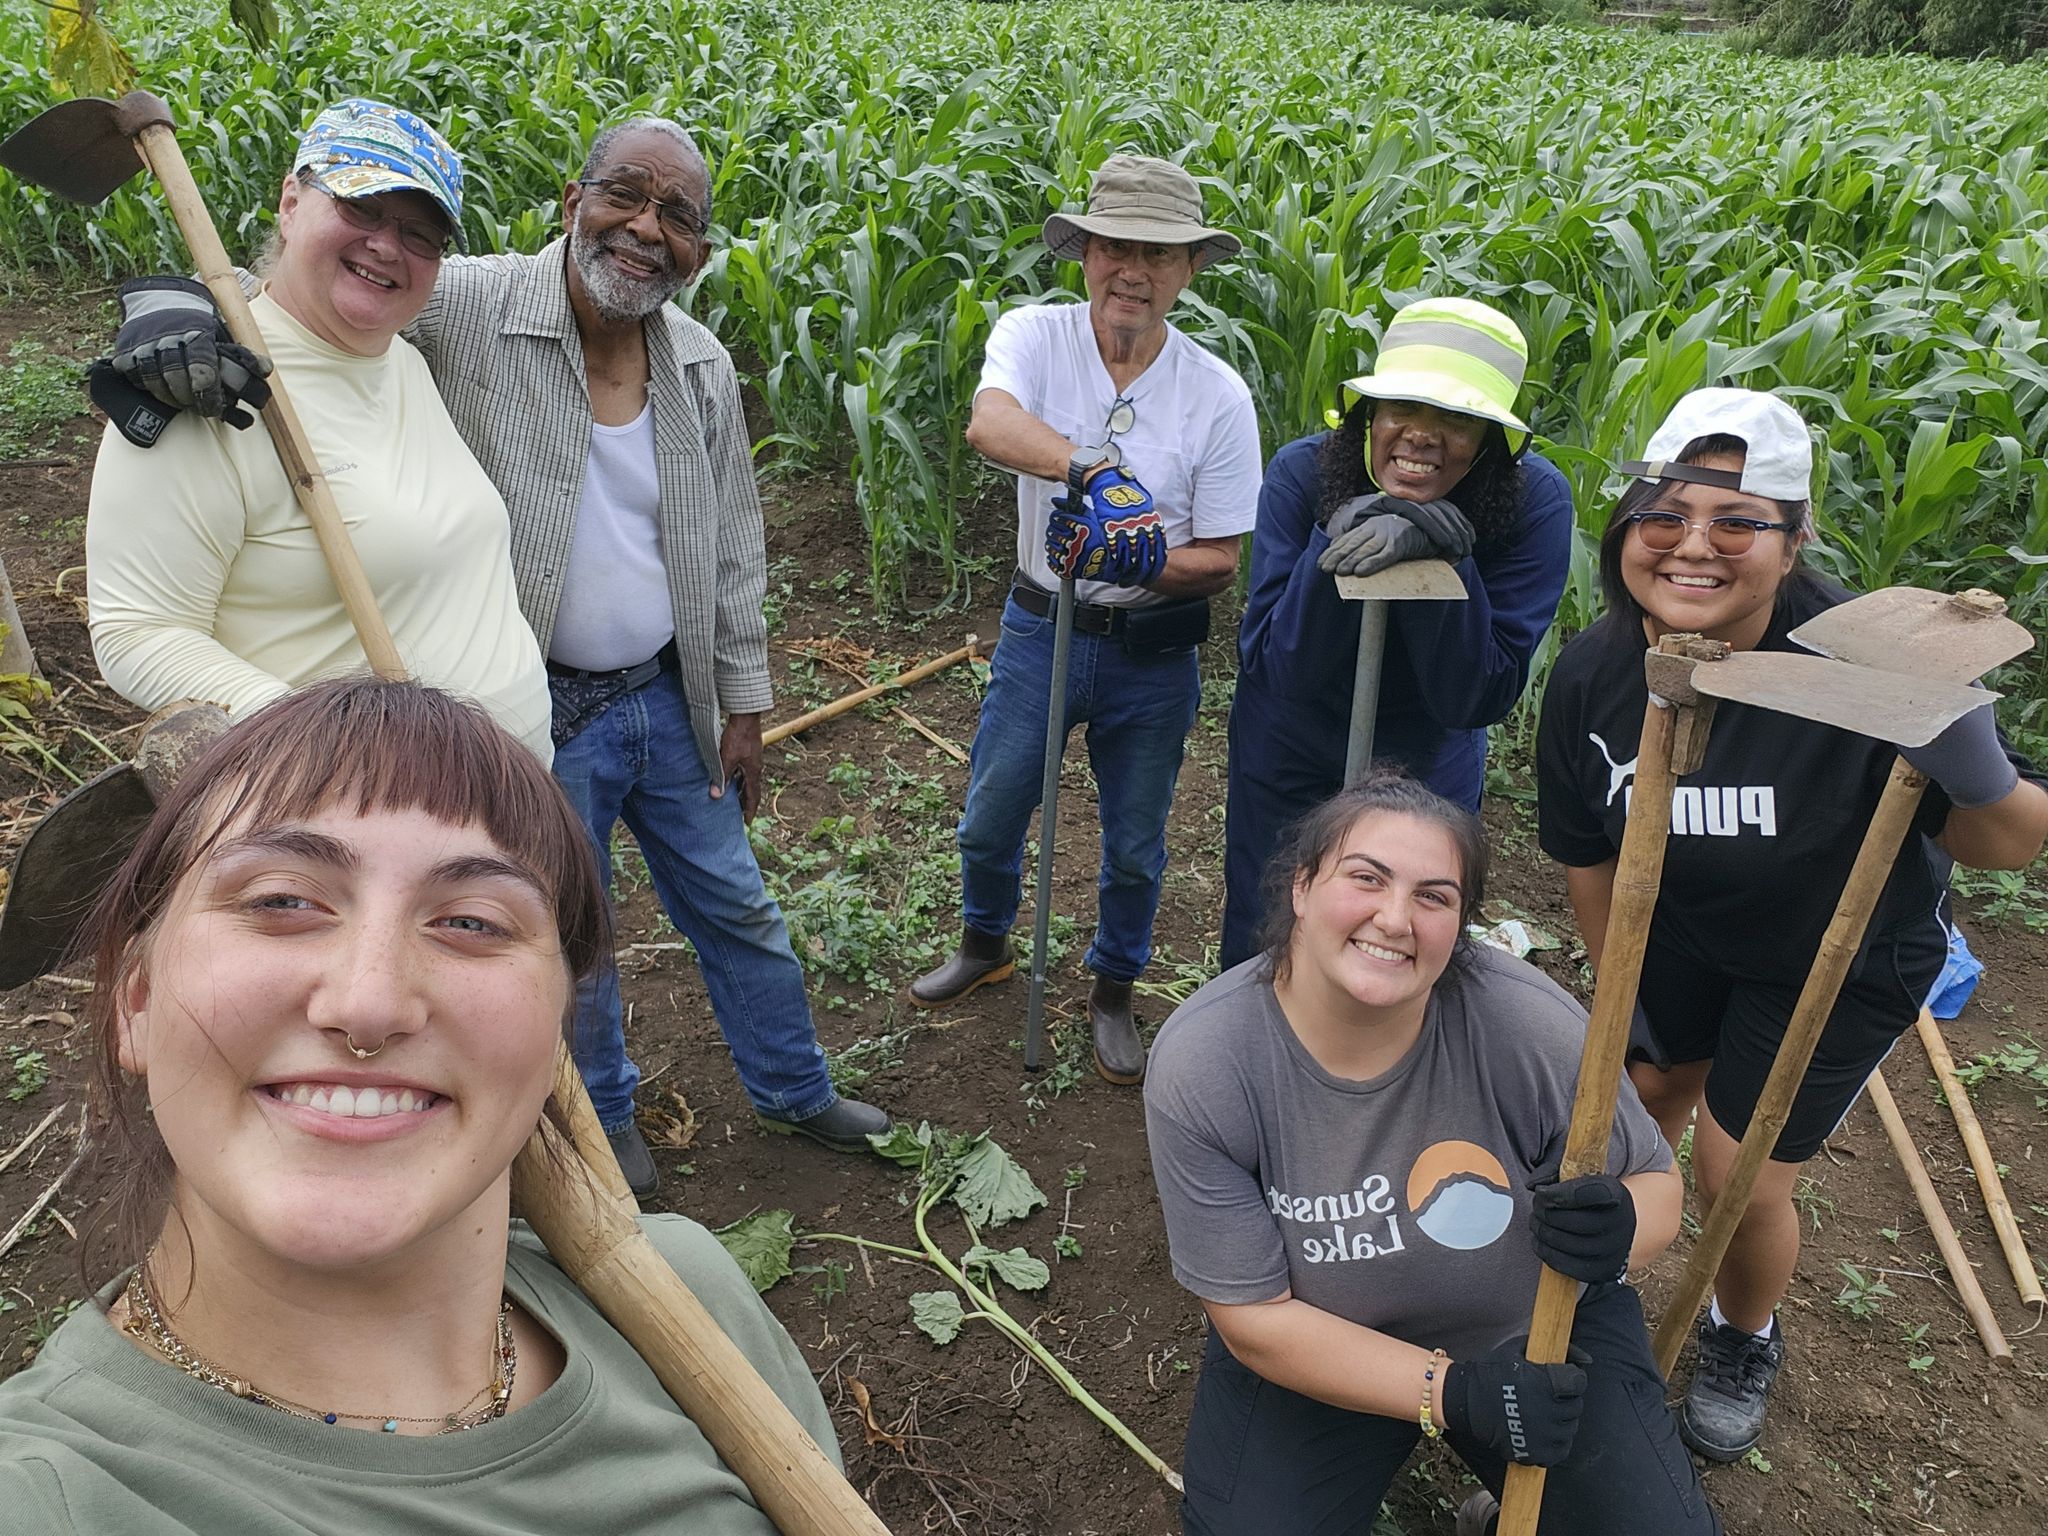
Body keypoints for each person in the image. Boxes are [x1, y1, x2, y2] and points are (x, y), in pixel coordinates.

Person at [101, 113, 893, 1197]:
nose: (644, 229)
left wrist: (741, 698)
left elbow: (736, 543)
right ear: (571, 202)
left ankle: (794, 1088)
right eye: (623, 194)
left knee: (738, 903)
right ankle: (604, 1132)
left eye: (679, 216)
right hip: (535, 728)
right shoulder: (462, 307)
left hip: (664, 693)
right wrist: (180, 299)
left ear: (702, 250)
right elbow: (305, 299)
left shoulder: (694, 363)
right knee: (573, 933)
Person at [0, 676, 841, 1533]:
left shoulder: (687, 1294)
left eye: (472, 921)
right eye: (282, 901)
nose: (370, 1003)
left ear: (555, 1020)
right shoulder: (53, 1498)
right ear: (133, 1003)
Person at [1535, 387, 2048, 1461]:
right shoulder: (1594, 672)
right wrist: (1613, 992)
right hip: (1674, 931)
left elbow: (2006, 842)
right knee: (1633, 1102)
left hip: (1835, 952)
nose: (1692, 546)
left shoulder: (1871, 664)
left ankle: (1740, 1333)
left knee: (1735, 1171)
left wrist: (1970, 764)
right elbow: (1586, 851)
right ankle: (1592, 1296)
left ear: (1794, 537)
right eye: (1663, 515)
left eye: (1737, 521)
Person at [1145, 777, 1718, 1536]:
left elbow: (1658, 1188)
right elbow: (1254, 1320)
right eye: (1366, 878)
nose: (1395, 918)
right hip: (1325, 1347)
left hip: (1533, 1334)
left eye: (1434, 897)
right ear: (1302, 889)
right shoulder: (1210, 1061)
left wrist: (1618, 1226)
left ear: (1461, 926)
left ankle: (1507, 1514)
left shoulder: (1526, 1024)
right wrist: (1452, 1393)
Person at [906, 154, 1262, 1085]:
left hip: (1152, 650)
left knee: (1136, 845)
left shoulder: (1218, 395)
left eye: (1159, 251)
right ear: (1086, 253)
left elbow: (1222, 559)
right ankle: (987, 942)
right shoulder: (1035, 335)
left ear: (1190, 270)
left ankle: (1112, 988)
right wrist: (1093, 473)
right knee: (991, 815)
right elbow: (990, 424)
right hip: (1040, 628)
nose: (1132, 270)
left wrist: (1141, 559)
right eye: (1115, 245)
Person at [86, 97, 551, 761]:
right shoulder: (210, 389)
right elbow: (138, 631)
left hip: (508, 803)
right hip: (367, 813)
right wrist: (322, 749)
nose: (387, 245)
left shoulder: (406, 362)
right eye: (361, 207)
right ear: (291, 201)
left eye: (421, 233)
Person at [1219, 297, 1573, 970]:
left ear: (1492, 441)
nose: (1421, 434)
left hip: (1429, 752)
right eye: (1402, 409)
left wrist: (1445, 556)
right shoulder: (1304, 474)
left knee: (1400, 931)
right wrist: (1335, 540)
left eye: (1457, 419)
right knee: (1267, 920)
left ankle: (1375, 1069)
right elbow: (1274, 665)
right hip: (1291, 739)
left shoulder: (1534, 502)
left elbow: (1479, 695)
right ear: (1368, 416)